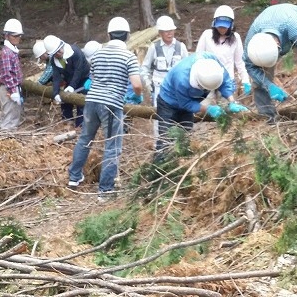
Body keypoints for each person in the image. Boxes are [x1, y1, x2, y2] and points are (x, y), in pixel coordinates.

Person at [67, 17, 143, 201]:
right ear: (127, 36)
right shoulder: (129, 57)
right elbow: (137, 84)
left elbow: (93, 78)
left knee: (85, 138)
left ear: (109, 35)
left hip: (91, 101)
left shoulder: (98, 54)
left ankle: (74, 177)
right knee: (113, 146)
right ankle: (105, 190)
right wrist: (137, 96)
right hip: (111, 104)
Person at [153, 53, 248, 158]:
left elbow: (225, 82)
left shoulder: (213, 64)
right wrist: (208, 109)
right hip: (168, 102)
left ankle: (181, 163)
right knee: (166, 138)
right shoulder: (182, 78)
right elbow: (185, 103)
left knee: (185, 136)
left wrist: (232, 101)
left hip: (190, 101)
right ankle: (159, 165)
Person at [242, 3, 297, 123]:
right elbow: (250, 66)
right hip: (271, 22)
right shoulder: (252, 42)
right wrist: (269, 86)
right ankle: (268, 118)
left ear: (278, 45)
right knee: (258, 81)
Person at [142, 16, 188, 135]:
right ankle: (160, 144)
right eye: (166, 31)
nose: (169, 33)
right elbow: (145, 67)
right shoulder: (154, 48)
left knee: (179, 115)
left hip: (178, 89)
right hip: (159, 89)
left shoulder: (181, 47)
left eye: (171, 30)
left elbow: (188, 68)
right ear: (160, 32)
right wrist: (148, 84)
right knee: (160, 118)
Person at [195, 5, 251, 99]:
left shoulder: (236, 38)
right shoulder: (207, 35)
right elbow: (198, 58)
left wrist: (245, 80)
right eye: (220, 27)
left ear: (231, 25)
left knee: (227, 109)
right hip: (208, 79)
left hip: (227, 81)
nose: (222, 29)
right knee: (207, 108)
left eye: (225, 27)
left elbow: (239, 62)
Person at [38, 35, 91, 126]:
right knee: (65, 100)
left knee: (81, 102)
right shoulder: (54, 61)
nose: (59, 53)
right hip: (69, 80)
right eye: (56, 52)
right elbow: (56, 76)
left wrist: (72, 86)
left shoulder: (76, 52)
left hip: (83, 79)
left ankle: (81, 124)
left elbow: (78, 71)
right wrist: (55, 93)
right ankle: (67, 121)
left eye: (60, 50)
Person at [0, 18, 26, 132]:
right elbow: (7, 74)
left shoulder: (13, 51)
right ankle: (5, 140)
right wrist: (13, 91)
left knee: (11, 115)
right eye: (15, 36)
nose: (17, 38)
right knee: (9, 118)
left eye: (19, 36)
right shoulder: (7, 52)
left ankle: (0, 136)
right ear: (6, 35)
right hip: (8, 88)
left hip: (13, 87)